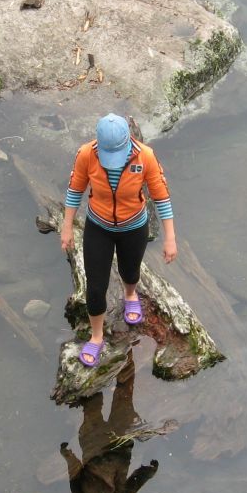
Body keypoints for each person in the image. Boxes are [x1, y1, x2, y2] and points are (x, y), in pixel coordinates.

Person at [61, 113, 177, 367]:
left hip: (133, 226)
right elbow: (75, 190)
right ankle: (97, 335)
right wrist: (67, 226)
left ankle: (130, 294)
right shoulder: (86, 154)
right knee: (95, 286)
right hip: (98, 227)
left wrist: (170, 237)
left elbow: (161, 196)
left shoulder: (144, 156)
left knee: (130, 270)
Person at [60, 354, 159, 493]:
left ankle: (102, 358)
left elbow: (74, 470)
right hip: (118, 439)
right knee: (122, 396)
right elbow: (140, 477)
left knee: (93, 400)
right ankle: (124, 354)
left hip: (94, 440)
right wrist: (150, 471)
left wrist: (68, 455)